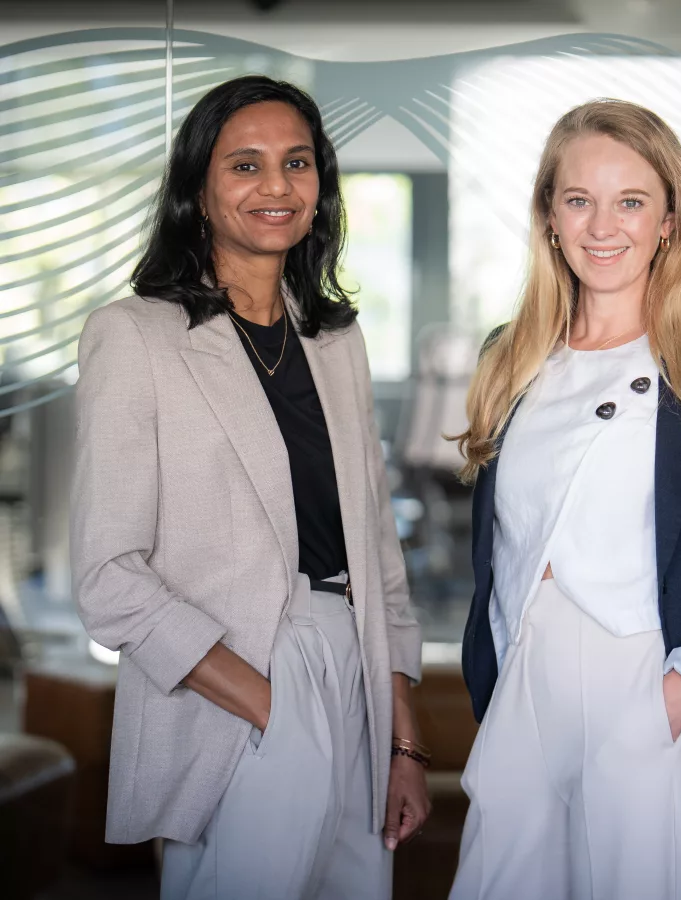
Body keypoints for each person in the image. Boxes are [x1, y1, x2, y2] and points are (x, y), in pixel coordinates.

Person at [70, 75, 430, 900]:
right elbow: (109, 577)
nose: (277, 185)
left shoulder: (337, 341)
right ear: (198, 192)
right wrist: (274, 707)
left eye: (297, 162)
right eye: (245, 165)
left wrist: (401, 743)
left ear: (320, 189)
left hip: (356, 664)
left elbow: (379, 558)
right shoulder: (134, 337)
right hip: (237, 679)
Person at [450, 99, 681, 900]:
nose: (602, 226)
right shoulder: (509, 357)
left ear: (670, 219)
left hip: (656, 681)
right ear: (549, 215)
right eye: (579, 200)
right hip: (525, 689)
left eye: (631, 201)